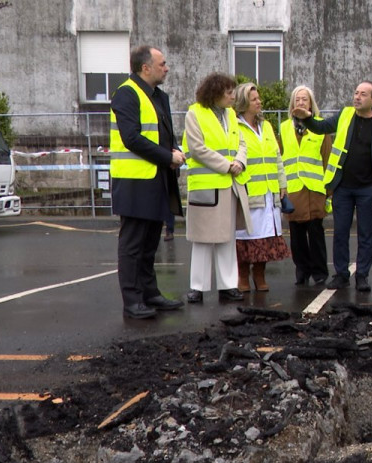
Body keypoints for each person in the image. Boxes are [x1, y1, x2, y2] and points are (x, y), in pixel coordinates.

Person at [292, 81, 372, 293]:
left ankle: (362, 276)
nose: (357, 97)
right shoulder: (345, 115)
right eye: (356, 93)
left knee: (366, 235)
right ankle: (341, 275)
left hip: (369, 188)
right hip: (343, 187)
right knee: (340, 233)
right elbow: (321, 128)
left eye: (363, 94)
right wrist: (307, 118)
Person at [110, 45, 185, 319]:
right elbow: (131, 138)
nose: (166, 68)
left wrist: (174, 151)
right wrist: (168, 157)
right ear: (146, 67)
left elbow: (164, 133)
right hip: (134, 181)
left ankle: (150, 293)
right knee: (132, 244)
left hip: (157, 179)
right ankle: (132, 300)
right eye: (162, 63)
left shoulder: (158, 96)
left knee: (151, 242)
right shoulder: (126, 94)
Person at [181, 72, 253, 304]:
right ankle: (197, 288)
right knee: (203, 240)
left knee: (226, 238)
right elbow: (196, 148)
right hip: (206, 187)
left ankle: (227, 286)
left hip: (228, 186)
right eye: (229, 92)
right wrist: (227, 166)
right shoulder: (195, 113)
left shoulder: (231, 115)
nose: (233, 96)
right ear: (216, 93)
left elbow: (242, 143)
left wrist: (240, 162)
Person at [234, 82, 291, 292]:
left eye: (259, 98)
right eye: (254, 99)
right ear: (243, 103)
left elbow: (277, 157)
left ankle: (259, 275)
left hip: (269, 191)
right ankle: (242, 277)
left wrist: (282, 184)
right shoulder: (235, 127)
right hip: (248, 191)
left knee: (266, 236)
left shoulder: (266, 126)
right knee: (245, 236)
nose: (259, 102)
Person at [279, 86, 332, 286]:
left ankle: (319, 272)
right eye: (297, 100)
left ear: (311, 104)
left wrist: (329, 189)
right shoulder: (284, 128)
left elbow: (327, 157)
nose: (301, 103)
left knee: (316, 232)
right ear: (292, 104)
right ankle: (302, 271)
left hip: (315, 187)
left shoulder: (320, 126)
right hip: (293, 188)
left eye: (305, 99)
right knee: (297, 234)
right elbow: (280, 157)